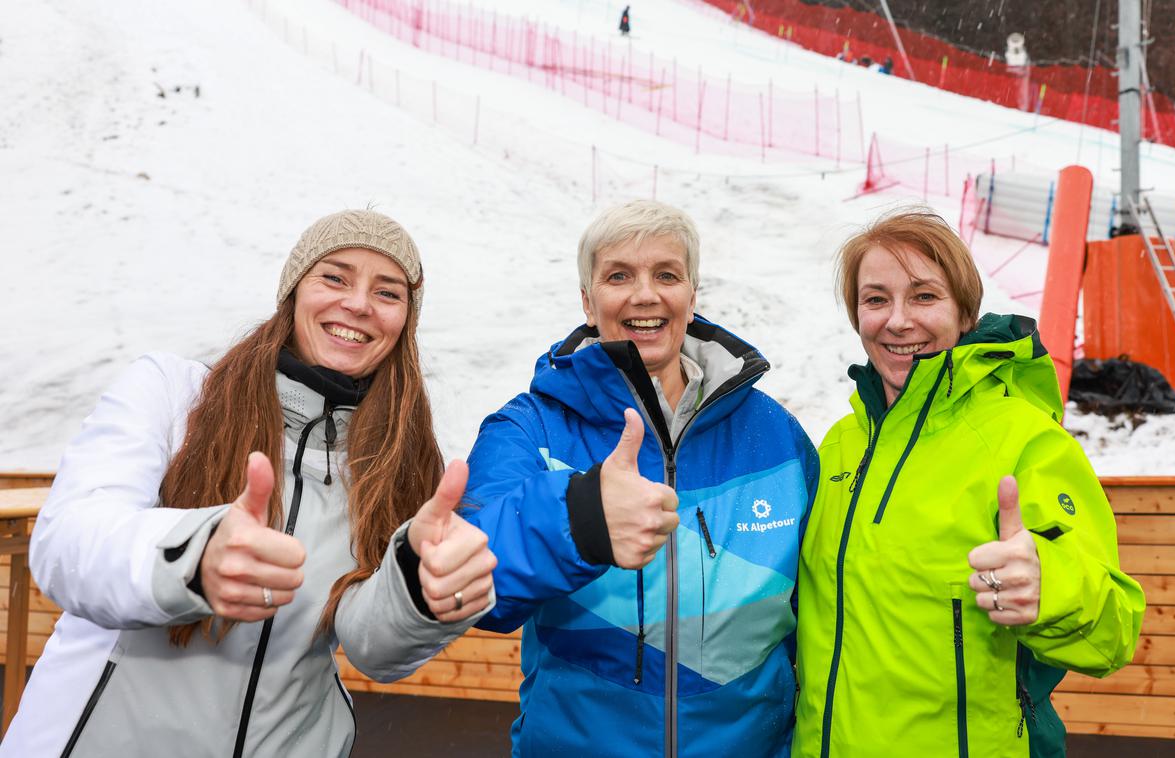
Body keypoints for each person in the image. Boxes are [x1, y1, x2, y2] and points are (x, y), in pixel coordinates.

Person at [3, 209, 497, 757]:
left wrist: (419, 592)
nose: (358, 304)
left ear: (404, 321)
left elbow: (371, 649)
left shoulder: (392, 461)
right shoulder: (172, 395)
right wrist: (193, 556)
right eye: (334, 277)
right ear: (292, 292)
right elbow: (69, 543)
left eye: (387, 292)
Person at [464, 200, 819, 756]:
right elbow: (477, 591)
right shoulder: (528, 429)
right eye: (619, 276)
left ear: (692, 294)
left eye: (666, 275)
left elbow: (821, 615)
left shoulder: (776, 436)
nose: (645, 295)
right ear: (588, 301)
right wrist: (580, 518)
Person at [792, 210, 1145, 757]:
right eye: (876, 299)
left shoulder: (1023, 439)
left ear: (964, 313)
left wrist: (1047, 587)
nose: (898, 321)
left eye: (924, 296)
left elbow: (1115, 631)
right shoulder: (841, 442)